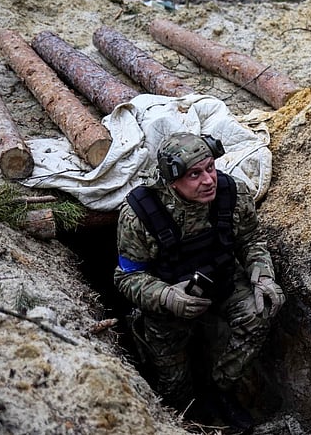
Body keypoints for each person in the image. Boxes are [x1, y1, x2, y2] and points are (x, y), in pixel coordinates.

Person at [115, 132, 285, 430]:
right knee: (174, 387)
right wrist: (167, 297)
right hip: (168, 302)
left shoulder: (232, 193)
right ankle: (188, 412)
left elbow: (251, 240)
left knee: (259, 312)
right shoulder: (139, 215)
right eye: (195, 174)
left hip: (222, 280)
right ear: (171, 180)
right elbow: (128, 276)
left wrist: (263, 275)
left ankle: (221, 389)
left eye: (210, 168)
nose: (208, 180)